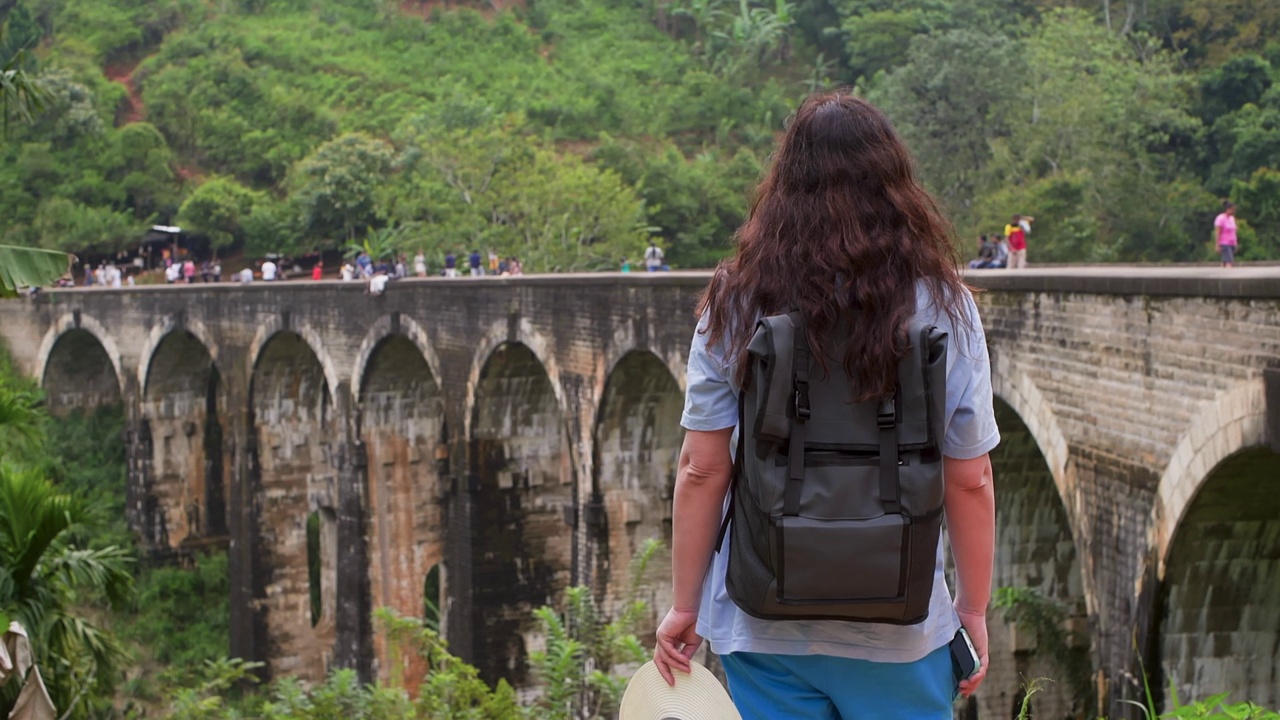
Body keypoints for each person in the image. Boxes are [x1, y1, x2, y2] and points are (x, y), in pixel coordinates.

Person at [652, 92, 998, 719]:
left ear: (785, 186)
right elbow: (970, 476)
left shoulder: (735, 301)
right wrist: (970, 610)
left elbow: (702, 469)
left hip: (764, 622)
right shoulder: (946, 306)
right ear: (897, 187)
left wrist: (685, 605)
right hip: (904, 624)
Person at [1214, 201, 1238, 268]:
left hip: (1232, 242)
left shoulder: (1232, 218)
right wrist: (1217, 244)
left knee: (1225, 261)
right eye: (1232, 210)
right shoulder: (1220, 218)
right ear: (1228, 209)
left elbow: (1234, 231)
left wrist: (1235, 243)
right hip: (1224, 242)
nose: (1233, 211)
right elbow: (1218, 232)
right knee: (1229, 261)